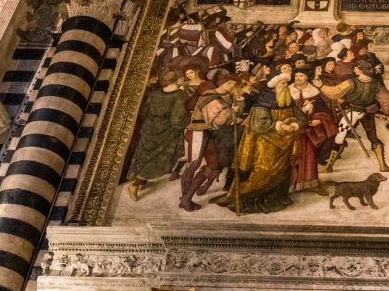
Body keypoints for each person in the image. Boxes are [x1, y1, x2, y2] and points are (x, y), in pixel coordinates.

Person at [213, 72, 307, 214]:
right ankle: (247, 200)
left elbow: (302, 117)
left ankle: (275, 200)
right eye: (282, 83)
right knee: (261, 172)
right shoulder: (263, 102)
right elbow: (258, 124)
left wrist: (295, 125)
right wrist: (280, 125)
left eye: (286, 83)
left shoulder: (289, 101)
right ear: (274, 85)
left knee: (282, 172)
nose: (285, 86)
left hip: (285, 145)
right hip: (264, 145)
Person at [178, 71, 241, 211]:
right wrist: (233, 111)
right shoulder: (211, 97)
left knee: (212, 164)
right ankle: (185, 198)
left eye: (234, 84)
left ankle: (186, 197)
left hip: (207, 132)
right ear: (223, 82)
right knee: (193, 165)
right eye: (231, 83)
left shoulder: (226, 95)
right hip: (197, 131)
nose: (232, 86)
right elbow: (218, 122)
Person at [127, 70, 191, 201]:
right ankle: (134, 185)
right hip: (166, 131)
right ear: (176, 80)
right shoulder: (181, 95)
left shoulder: (155, 93)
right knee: (157, 159)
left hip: (149, 128)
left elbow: (144, 112)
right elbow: (176, 121)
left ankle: (142, 182)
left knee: (145, 156)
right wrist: (189, 117)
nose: (184, 79)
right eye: (181, 78)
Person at [318, 61, 389, 172]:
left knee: (340, 137)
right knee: (373, 138)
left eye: (356, 68)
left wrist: (321, 86)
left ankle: (328, 167)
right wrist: (386, 111)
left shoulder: (351, 82)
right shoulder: (375, 83)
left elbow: (334, 92)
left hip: (353, 112)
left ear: (360, 70)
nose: (354, 69)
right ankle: (383, 166)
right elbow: (388, 99)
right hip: (368, 113)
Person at [289, 69, 337, 194]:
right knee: (291, 157)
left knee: (310, 156)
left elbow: (325, 112)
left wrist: (319, 120)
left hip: (309, 131)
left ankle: (312, 183)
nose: (298, 78)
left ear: (307, 77)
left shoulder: (314, 92)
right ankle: (291, 185)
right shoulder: (287, 91)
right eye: (296, 75)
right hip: (291, 130)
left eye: (301, 75)